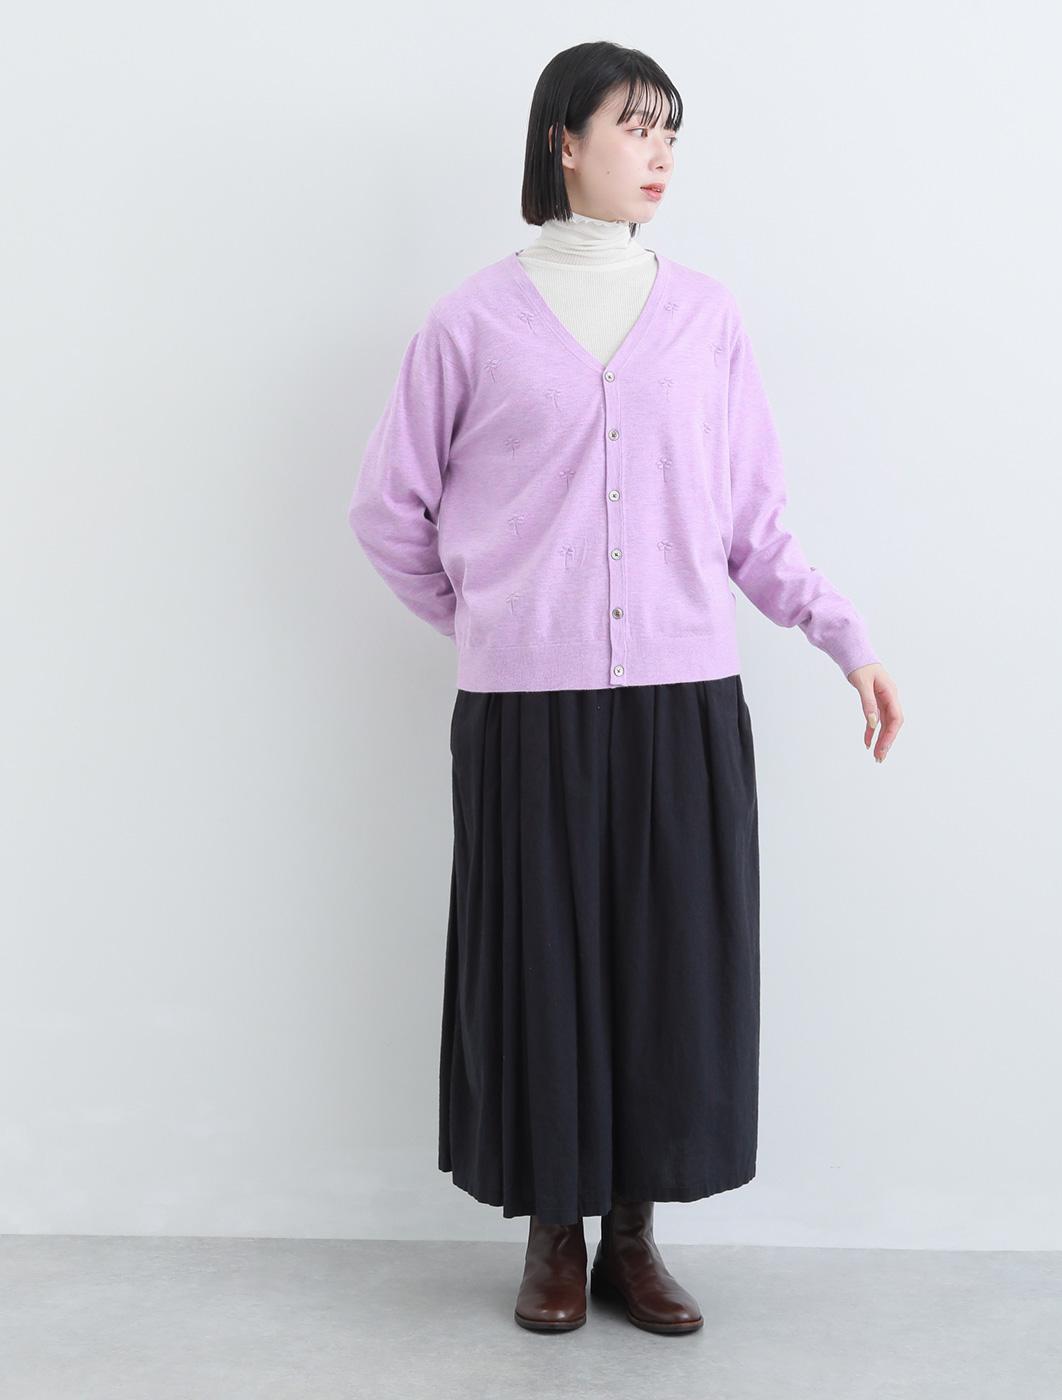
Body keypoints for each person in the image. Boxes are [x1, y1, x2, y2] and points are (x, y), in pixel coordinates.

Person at [347, 40, 904, 1337]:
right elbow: (386, 510)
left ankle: (635, 1237)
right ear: (565, 140)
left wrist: (846, 638)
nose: (660, 154)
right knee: (539, 967)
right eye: (635, 126)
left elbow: (751, 522)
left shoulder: (705, 318)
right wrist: (492, 622)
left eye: (671, 132)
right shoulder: (471, 322)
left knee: (669, 970)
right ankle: (554, 1232)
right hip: (523, 708)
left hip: (680, 697)